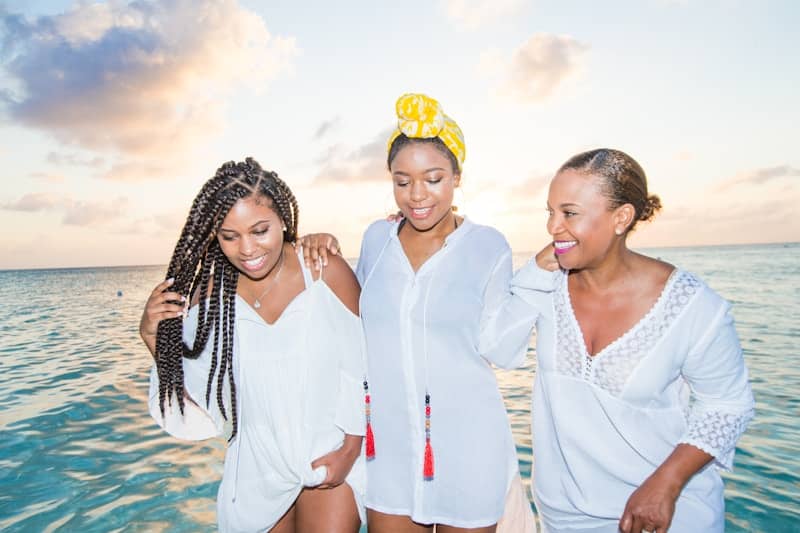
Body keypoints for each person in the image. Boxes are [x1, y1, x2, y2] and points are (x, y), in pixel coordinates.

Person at [302, 93, 537, 533]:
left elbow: (501, 346)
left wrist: (539, 278)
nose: (417, 195)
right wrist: (322, 246)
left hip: (469, 444)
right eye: (402, 180)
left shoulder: (488, 246)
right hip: (388, 447)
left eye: (433, 179)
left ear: (457, 177)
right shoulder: (376, 238)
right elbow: (348, 321)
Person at [508, 148, 755, 532]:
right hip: (566, 518)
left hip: (665, 513)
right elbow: (495, 344)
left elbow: (729, 405)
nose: (553, 227)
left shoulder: (693, 306)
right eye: (550, 212)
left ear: (621, 217)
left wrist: (667, 483)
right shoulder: (546, 285)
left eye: (569, 213)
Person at [139, 158, 365, 533]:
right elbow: (200, 399)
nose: (247, 248)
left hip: (330, 452)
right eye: (229, 236)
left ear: (283, 221)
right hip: (256, 465)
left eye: (260, 230)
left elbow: (364, 369)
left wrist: (350, 449)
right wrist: (151, 336)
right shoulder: (209, 299)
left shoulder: (326, 272)